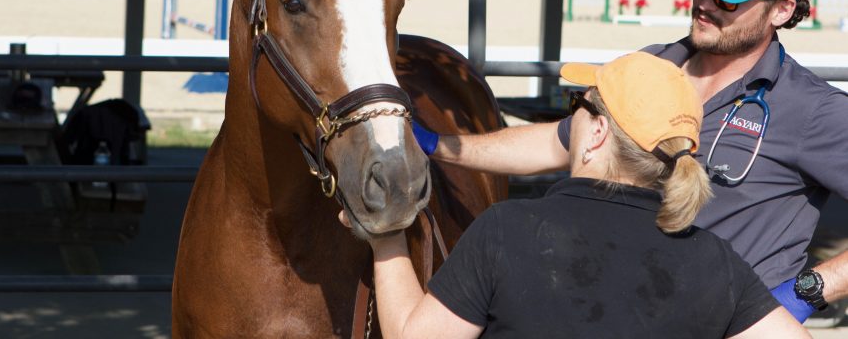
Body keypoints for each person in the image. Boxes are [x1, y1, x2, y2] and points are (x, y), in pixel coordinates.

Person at [413, 0, 848, 323]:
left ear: (781, 10)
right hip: (614, 311)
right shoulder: (651, 65)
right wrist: (437, 145)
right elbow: (557, 143)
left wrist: (804, 293)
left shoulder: (812, 110)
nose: (704, 4)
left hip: (726, 323)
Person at [346, 52, 808, 338]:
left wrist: (385, 238)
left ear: (597, 133)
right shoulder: (714, 260)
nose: (571, 120)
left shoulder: (505, 232)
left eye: (578, 105)